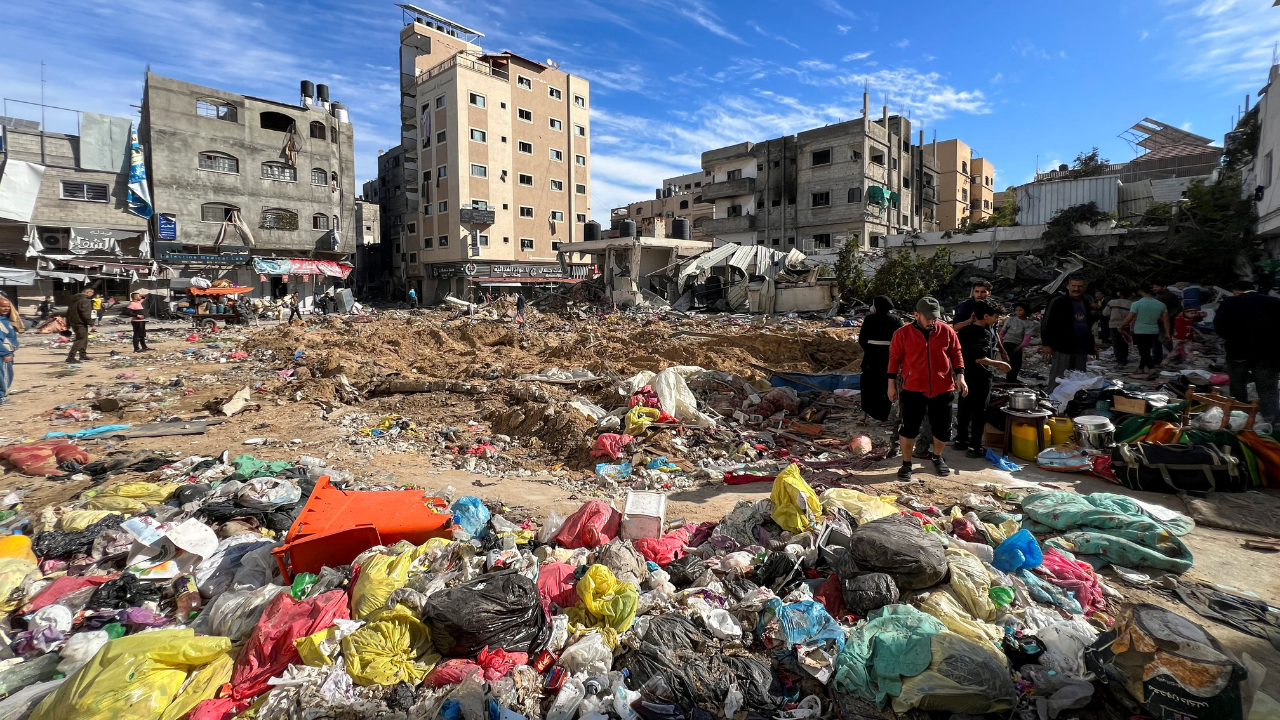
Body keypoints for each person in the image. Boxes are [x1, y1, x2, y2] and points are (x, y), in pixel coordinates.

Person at [887, 297, 968, 479]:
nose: (933, 321)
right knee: (909, 428)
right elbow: (894, 360)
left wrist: (960, 377)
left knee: (943, 430)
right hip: (912, 387)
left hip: (942, 387)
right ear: (916, 315)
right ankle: (906, 464)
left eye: (935, 318)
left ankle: (937, 457)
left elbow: (956, 354)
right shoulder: (902, 334)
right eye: (929, 318)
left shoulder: (946, 331)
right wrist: (891, 386)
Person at [1214, 280, 1280, 421]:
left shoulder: (1230, 303)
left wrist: (1233, 338)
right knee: (1268, 388)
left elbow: (1219, 326)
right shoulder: (1274, 302)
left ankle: (1240, 417)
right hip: (1268, 353)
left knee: (1238, 386)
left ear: (1235, 291)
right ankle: (1271, 419)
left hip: (1238, 351)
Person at [955, 301, 1011, 458]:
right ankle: (975, 447)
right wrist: (999, 364)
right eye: (995, 317)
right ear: (986, 316)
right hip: (980, 376)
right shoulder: (984, 333)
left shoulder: (965, 330)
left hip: (964, 375)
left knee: (964, 409)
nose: (996, 320)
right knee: (980, 412)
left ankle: (961, 440)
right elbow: (979, 358)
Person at [1040, 277, 1095, 393]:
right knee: (1058, 377)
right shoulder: (1057, 301)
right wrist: (1046, 344)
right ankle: (1053, 402)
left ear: (1084, 287)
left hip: (1081, 347)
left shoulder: (1085, 302)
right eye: (1074, 286)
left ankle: (1074, 403)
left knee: (1078, 378)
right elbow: (1046, 322)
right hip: (1062, 346)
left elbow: (1087, 324)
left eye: (1079, 286)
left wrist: (1091, 345)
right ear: (1068, 286)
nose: (1076, 289)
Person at [857, 296, 904, 426]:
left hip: (871, 359)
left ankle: (864, 412)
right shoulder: (895, 320)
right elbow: (901, 339)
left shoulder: (869, 319)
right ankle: (884, 417)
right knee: (886, 385)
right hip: (888, 358)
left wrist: (870, 350)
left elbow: (862, 339)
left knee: (867, 385)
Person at [1119, 285, 1170, 377]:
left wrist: (1121, 326)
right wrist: (1167, 333)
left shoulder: (1136, 304)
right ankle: (1140, 368)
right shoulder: (1161, 305)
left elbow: (1130, 318)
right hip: (1154, 331)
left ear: (1142, 292)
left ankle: (1151, 368)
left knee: (1143, 351)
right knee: (1146, 350)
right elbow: (1166, 321)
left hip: (1140, 330)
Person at [998, 302, 1034, 383]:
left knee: (1017, 364)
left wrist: (1022, 345)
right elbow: (1002, 332)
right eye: (1017, 310)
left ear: (1026, 311)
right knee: (1012, 362)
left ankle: (1012, 379)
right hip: (1008, 342)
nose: (1018, 312)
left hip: (1018, 344)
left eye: (1020, 310)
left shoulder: (1029, 323)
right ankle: (1010, 380)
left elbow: (1027, 336)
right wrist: (1000, 342)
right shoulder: (1010, 320)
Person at [1104, 289, 1134, 365]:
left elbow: (1105, 313)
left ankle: (1119, 360)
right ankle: (1124, 360)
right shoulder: (1131, 304)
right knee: (1124, 343)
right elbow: (1133, 317)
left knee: (1116, 343)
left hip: (1114, 325)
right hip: (1126, 326)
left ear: (1119, 294)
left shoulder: (1112, 302)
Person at [65, 287, 94, 363]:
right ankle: (71, 357)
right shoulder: (85, 300)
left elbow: (68, 313)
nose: (92, 294)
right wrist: (91, 323)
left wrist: (68, 323)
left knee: (84, 338)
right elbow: (85, 313)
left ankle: (82, 355)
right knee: (80, 339)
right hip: (80, 322)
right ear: (88, 292)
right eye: (92, 292)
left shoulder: (73, 300)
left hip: (74, 322)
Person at [0, 297, 18, 405]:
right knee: (5, 376)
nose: (6, 308)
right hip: (3, 355)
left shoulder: (5, 320)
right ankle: (2, 397)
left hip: (7, 353)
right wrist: (5, 353)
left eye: (8, 306)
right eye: (3, 306)